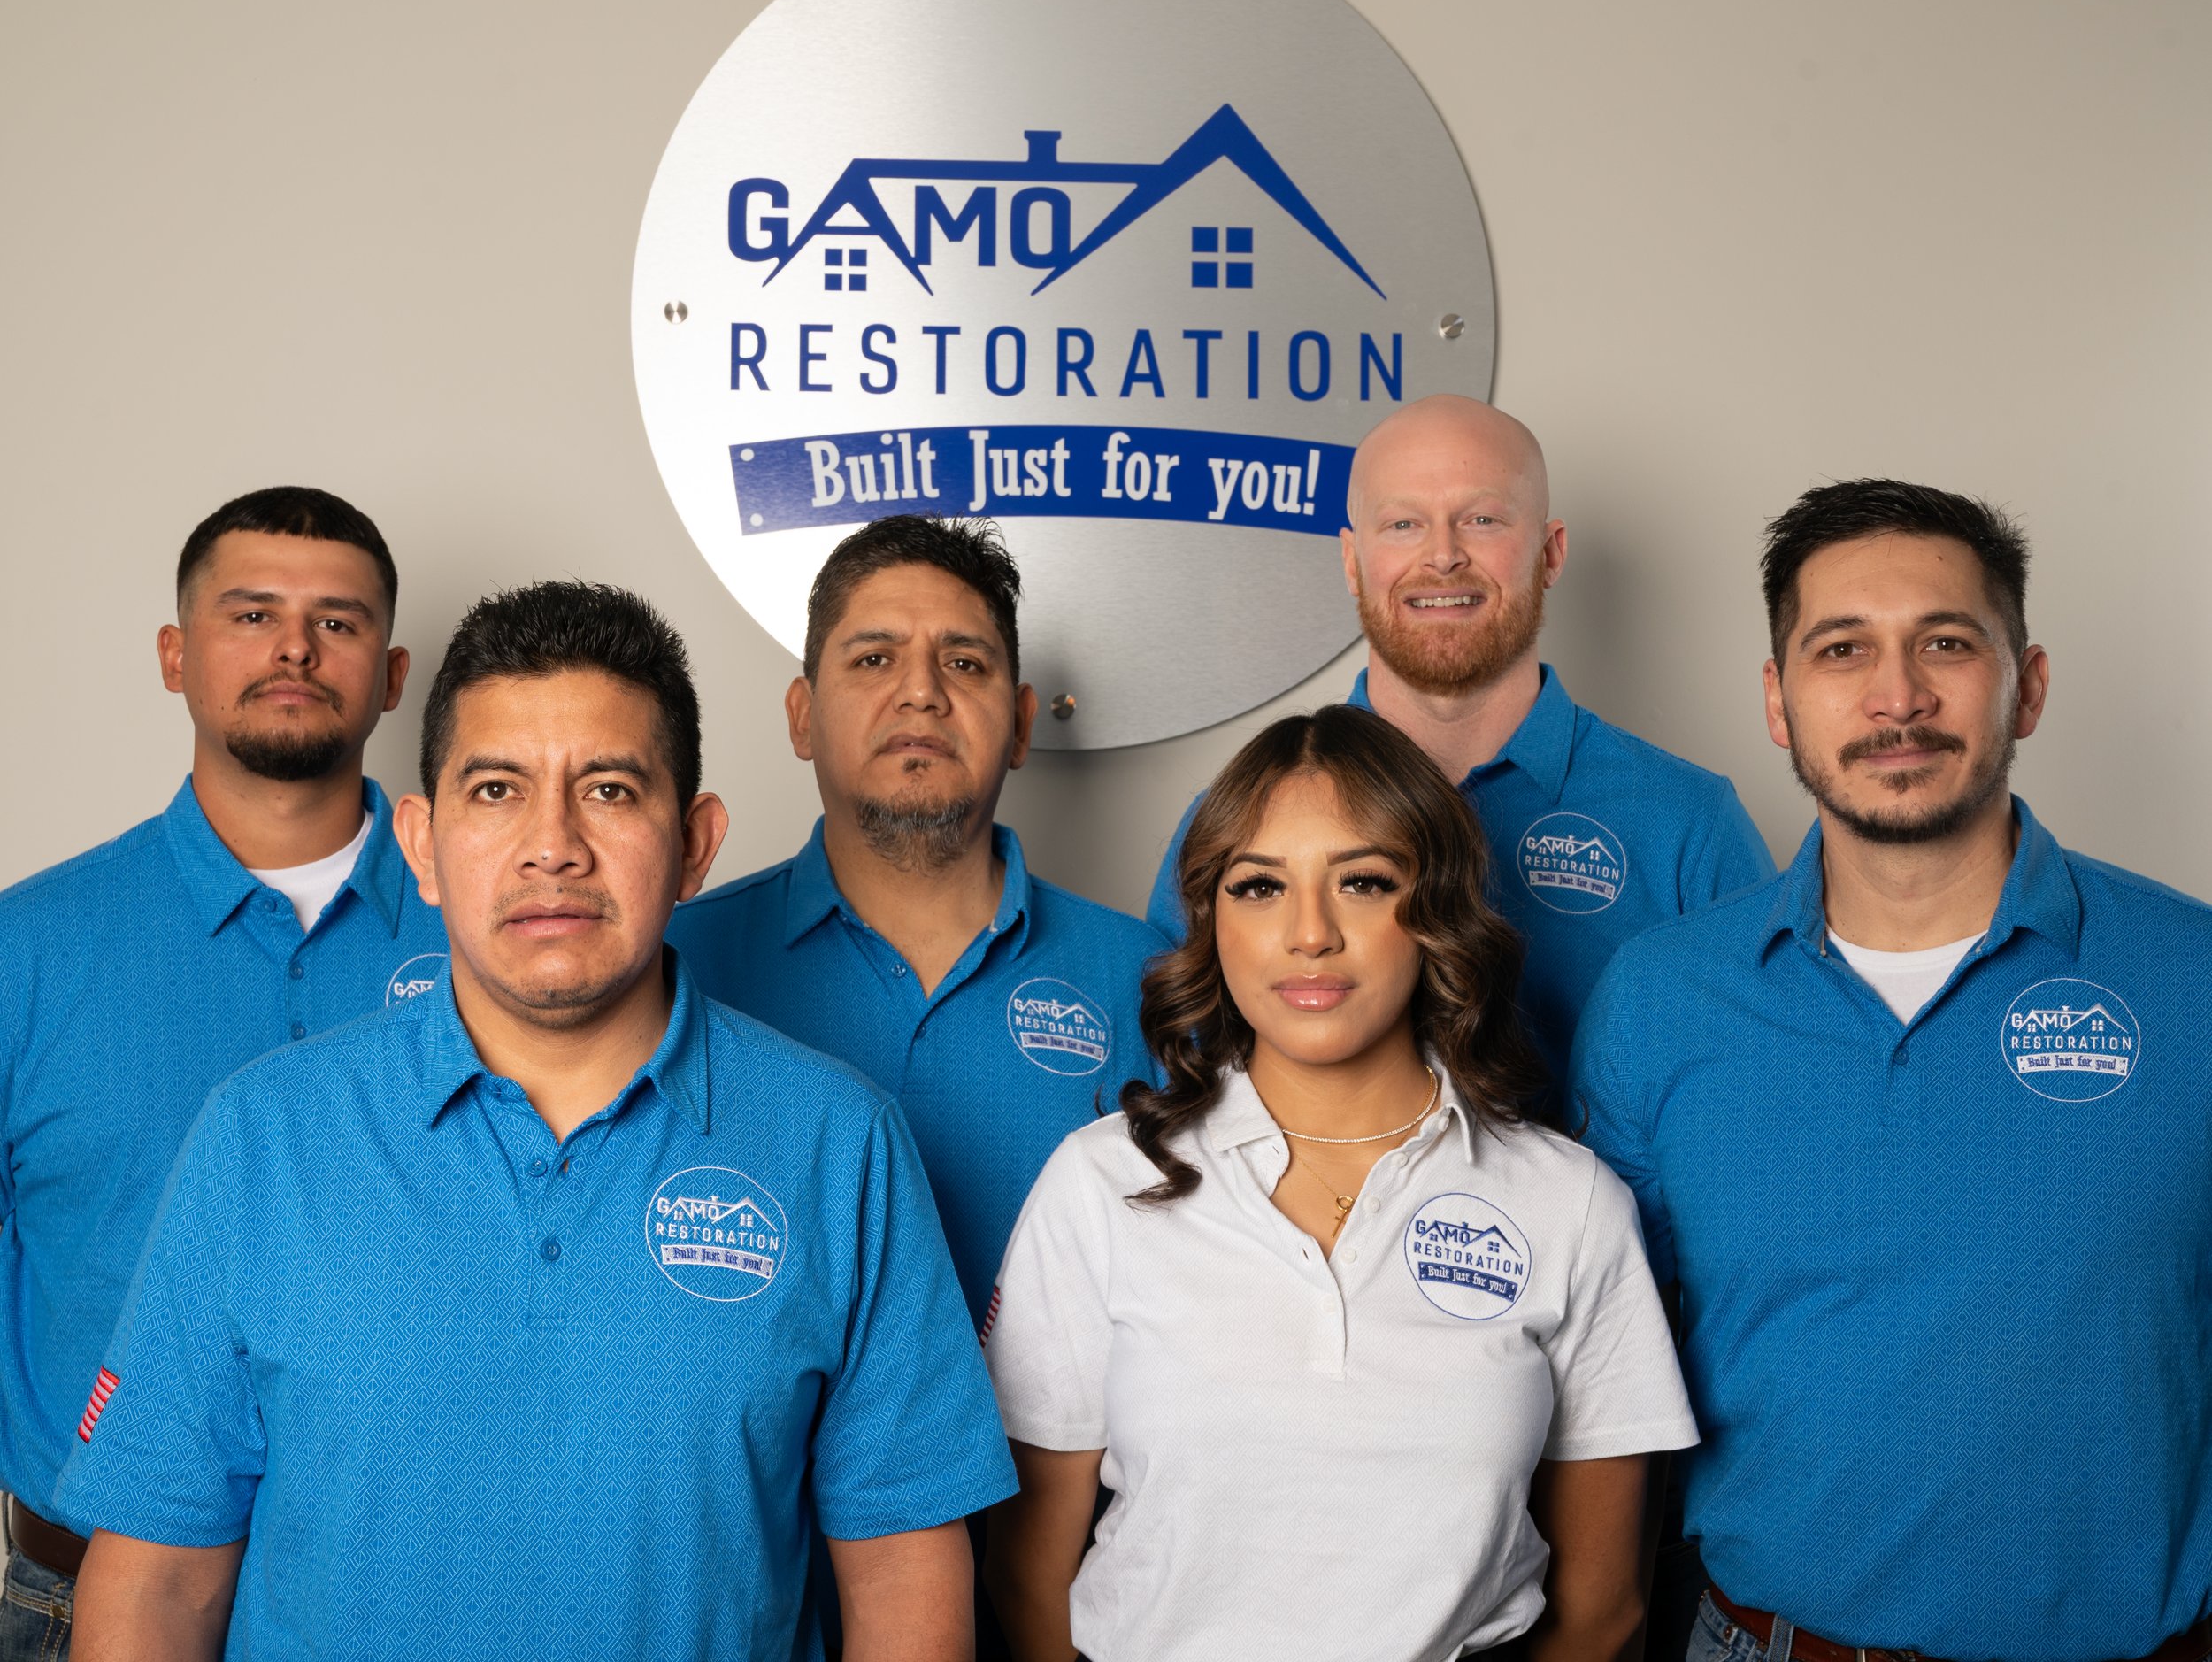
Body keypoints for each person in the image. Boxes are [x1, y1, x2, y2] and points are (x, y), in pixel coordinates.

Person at [55, 581, 1014, 1662]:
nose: (551, 845)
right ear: (422, 843)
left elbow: (902, 1572)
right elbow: (158, 1582)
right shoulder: (262, 1135)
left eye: (608, 788)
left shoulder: (841, 1144)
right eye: (497, 789)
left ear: (695, 843)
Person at [1574, 481, 2212, 1662]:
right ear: (1778, 701)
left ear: (2028, 685)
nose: (1898, 695)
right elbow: (1598, 1365)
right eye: (1841, 649)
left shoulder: (2194, 978)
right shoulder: (1660, 1000)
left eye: (1947, 643)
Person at [986, 705, 1695, 1662]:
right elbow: (1028, 1572)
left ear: (1436, 907)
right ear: (1210, 918)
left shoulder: (1570, 1204)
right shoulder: (1100, 1181)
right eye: (1260, 886)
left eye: (1363, 881)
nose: (1310, 933)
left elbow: (1604, 1609)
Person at [0, 487, 443, 1660]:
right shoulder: (26, 949)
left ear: (393, 675)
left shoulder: (498, 939)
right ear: (174, 654)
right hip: (74, 1600)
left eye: (337, 621)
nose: (295, 648)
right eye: (252, 614)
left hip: (397, 1607)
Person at [1147, 395, 1773, 1099]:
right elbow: (1179, 1086)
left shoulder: (1688, 826)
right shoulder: (1238, 825)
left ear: (1550, 553)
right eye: (1403, 523)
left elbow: (1751, 1092)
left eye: (1482, 519)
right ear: (1352, 561)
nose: (1443, 556)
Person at [666, 514, 1165, 1326]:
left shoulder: (1146, 982)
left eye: (964, 662)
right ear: (802, 716)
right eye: (874, 658)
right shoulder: (678, 962)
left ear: (1022, 725)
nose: (923, 691)